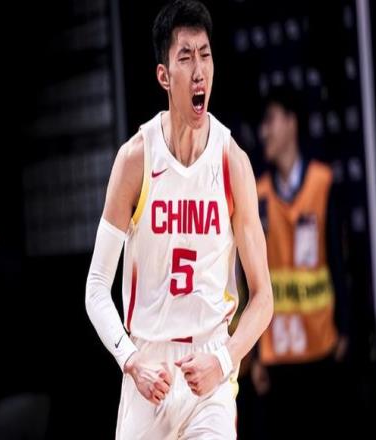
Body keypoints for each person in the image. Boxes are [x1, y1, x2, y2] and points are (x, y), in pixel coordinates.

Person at [85, 1, 273, 438]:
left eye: (205, 55)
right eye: (185, 57)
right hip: (148, 367)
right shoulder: (136, 159)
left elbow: (263, 297)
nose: (199, 70)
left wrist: (224, 360)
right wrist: (131, 360)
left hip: (210, 370)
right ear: (164, 76)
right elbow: (96, 287)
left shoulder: (232, 162)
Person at [251, 86, 350, 439]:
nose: (264, 131)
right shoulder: (258, 195)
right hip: (278, 357)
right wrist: (256, 355)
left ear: (291, 123)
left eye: (271, 120)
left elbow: (341, 261)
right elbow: (251, 280)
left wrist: (345, 329)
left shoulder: (322, 183)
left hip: (322, 348)